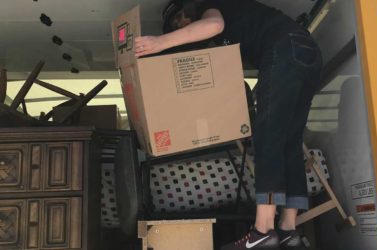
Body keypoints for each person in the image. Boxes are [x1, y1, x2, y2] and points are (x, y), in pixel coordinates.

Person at [135, 0, 322, 249]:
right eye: (175, 26)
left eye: (180, 18)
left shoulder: (209, 7)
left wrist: (159, 42)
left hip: (285, 48)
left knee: (268, 139)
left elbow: (213, 24)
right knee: (289, 142)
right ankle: (288, 229)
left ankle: (263, 230)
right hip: (309, 53)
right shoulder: (237, 26)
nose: (181, 24)